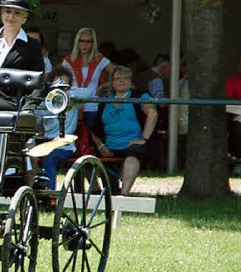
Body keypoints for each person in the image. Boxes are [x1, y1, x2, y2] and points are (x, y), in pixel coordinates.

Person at [91, 66, 158, 195]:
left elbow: (152, 113)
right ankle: (97, 191)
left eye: (125, 78)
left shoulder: (139, 96)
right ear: (113, 83)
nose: (122, 81)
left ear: (131, 81)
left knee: (132, 155)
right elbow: (94, 128)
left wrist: (143, 139)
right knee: (85, 154)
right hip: (109, 147)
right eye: (118, 79)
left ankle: (124, 194)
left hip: (132, 145)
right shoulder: (106, 100)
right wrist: (101, 146)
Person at [31, 66, 79, 190]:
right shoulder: (44, 104)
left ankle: (50, 194)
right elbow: (36, 125)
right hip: (47, 142)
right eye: (57, 85)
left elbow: (89, 93)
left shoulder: (73, 100)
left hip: (65, 144)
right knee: (28, 155)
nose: (60, 88)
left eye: (64, 85)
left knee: (49, 158)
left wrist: (66, 94)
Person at [61, 28, 114, 127]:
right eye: (81, 41)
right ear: (77, 42)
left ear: (93, 43)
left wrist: (103, 86)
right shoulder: (68, 61)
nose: (84, 45)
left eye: (88, 41)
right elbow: (61, 82)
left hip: (92, 106)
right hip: (73, 105)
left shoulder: (100, 60)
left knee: (90, 137)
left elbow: (118, 74)